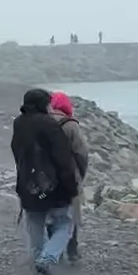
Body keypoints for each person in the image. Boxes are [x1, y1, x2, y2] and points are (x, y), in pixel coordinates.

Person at [10, 88, 79, 275]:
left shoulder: (19, 123)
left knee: (34, 225)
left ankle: (40, 271)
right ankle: (47, 260)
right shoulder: (49, 124)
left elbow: (17, 152)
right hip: (53, 186)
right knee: (64, 224)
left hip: (28, 185)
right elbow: (62, 158)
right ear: (42, 104)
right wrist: (71, 187)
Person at [51, 92, 91, 264]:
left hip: (47, 177)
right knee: (72, 213)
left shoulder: (41, 122)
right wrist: (80, 175)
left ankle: (54, 250)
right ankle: (72, 251)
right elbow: (81, 153)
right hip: (68, 178)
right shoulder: (71, 125)